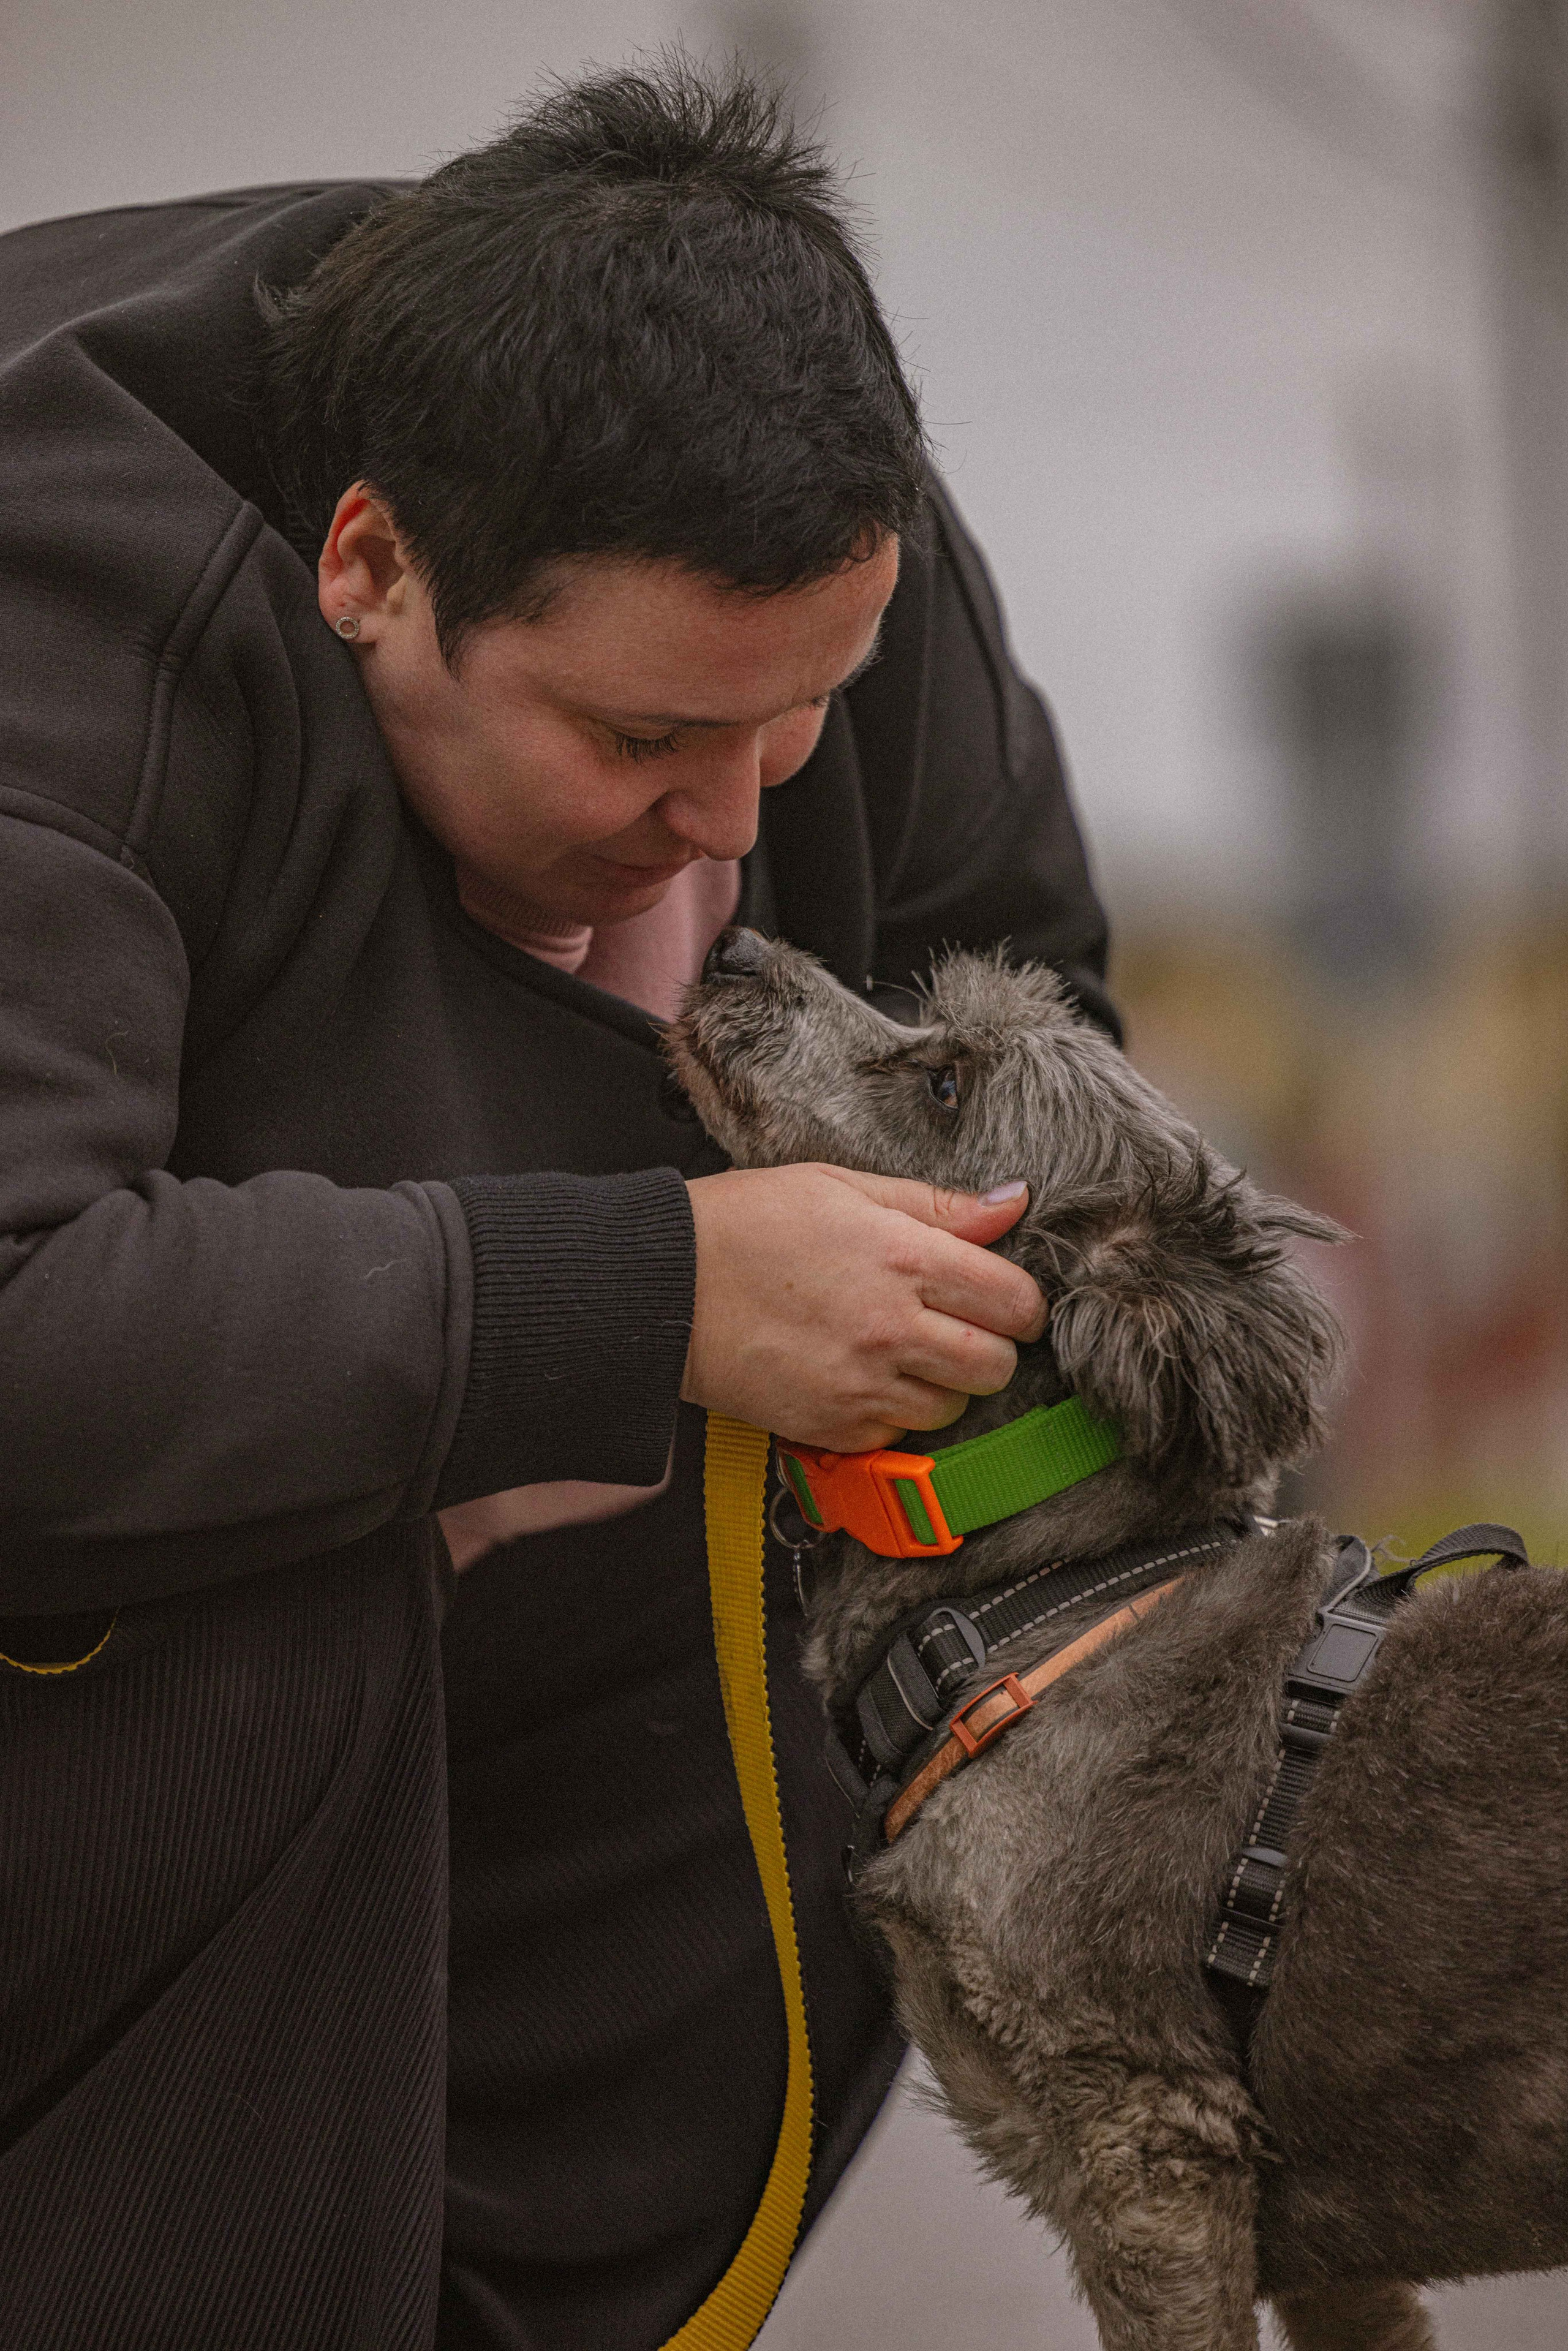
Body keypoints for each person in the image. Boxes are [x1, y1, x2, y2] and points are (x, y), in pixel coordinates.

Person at [0, 58, 1116, 2351]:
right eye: (634, 746)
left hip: (597, 1849)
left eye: (793, 716)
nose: (732, 821)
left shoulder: (809, 557)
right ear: (369, 565)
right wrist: (655, 1288)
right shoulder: (58, 628)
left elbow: (1047, 1073)